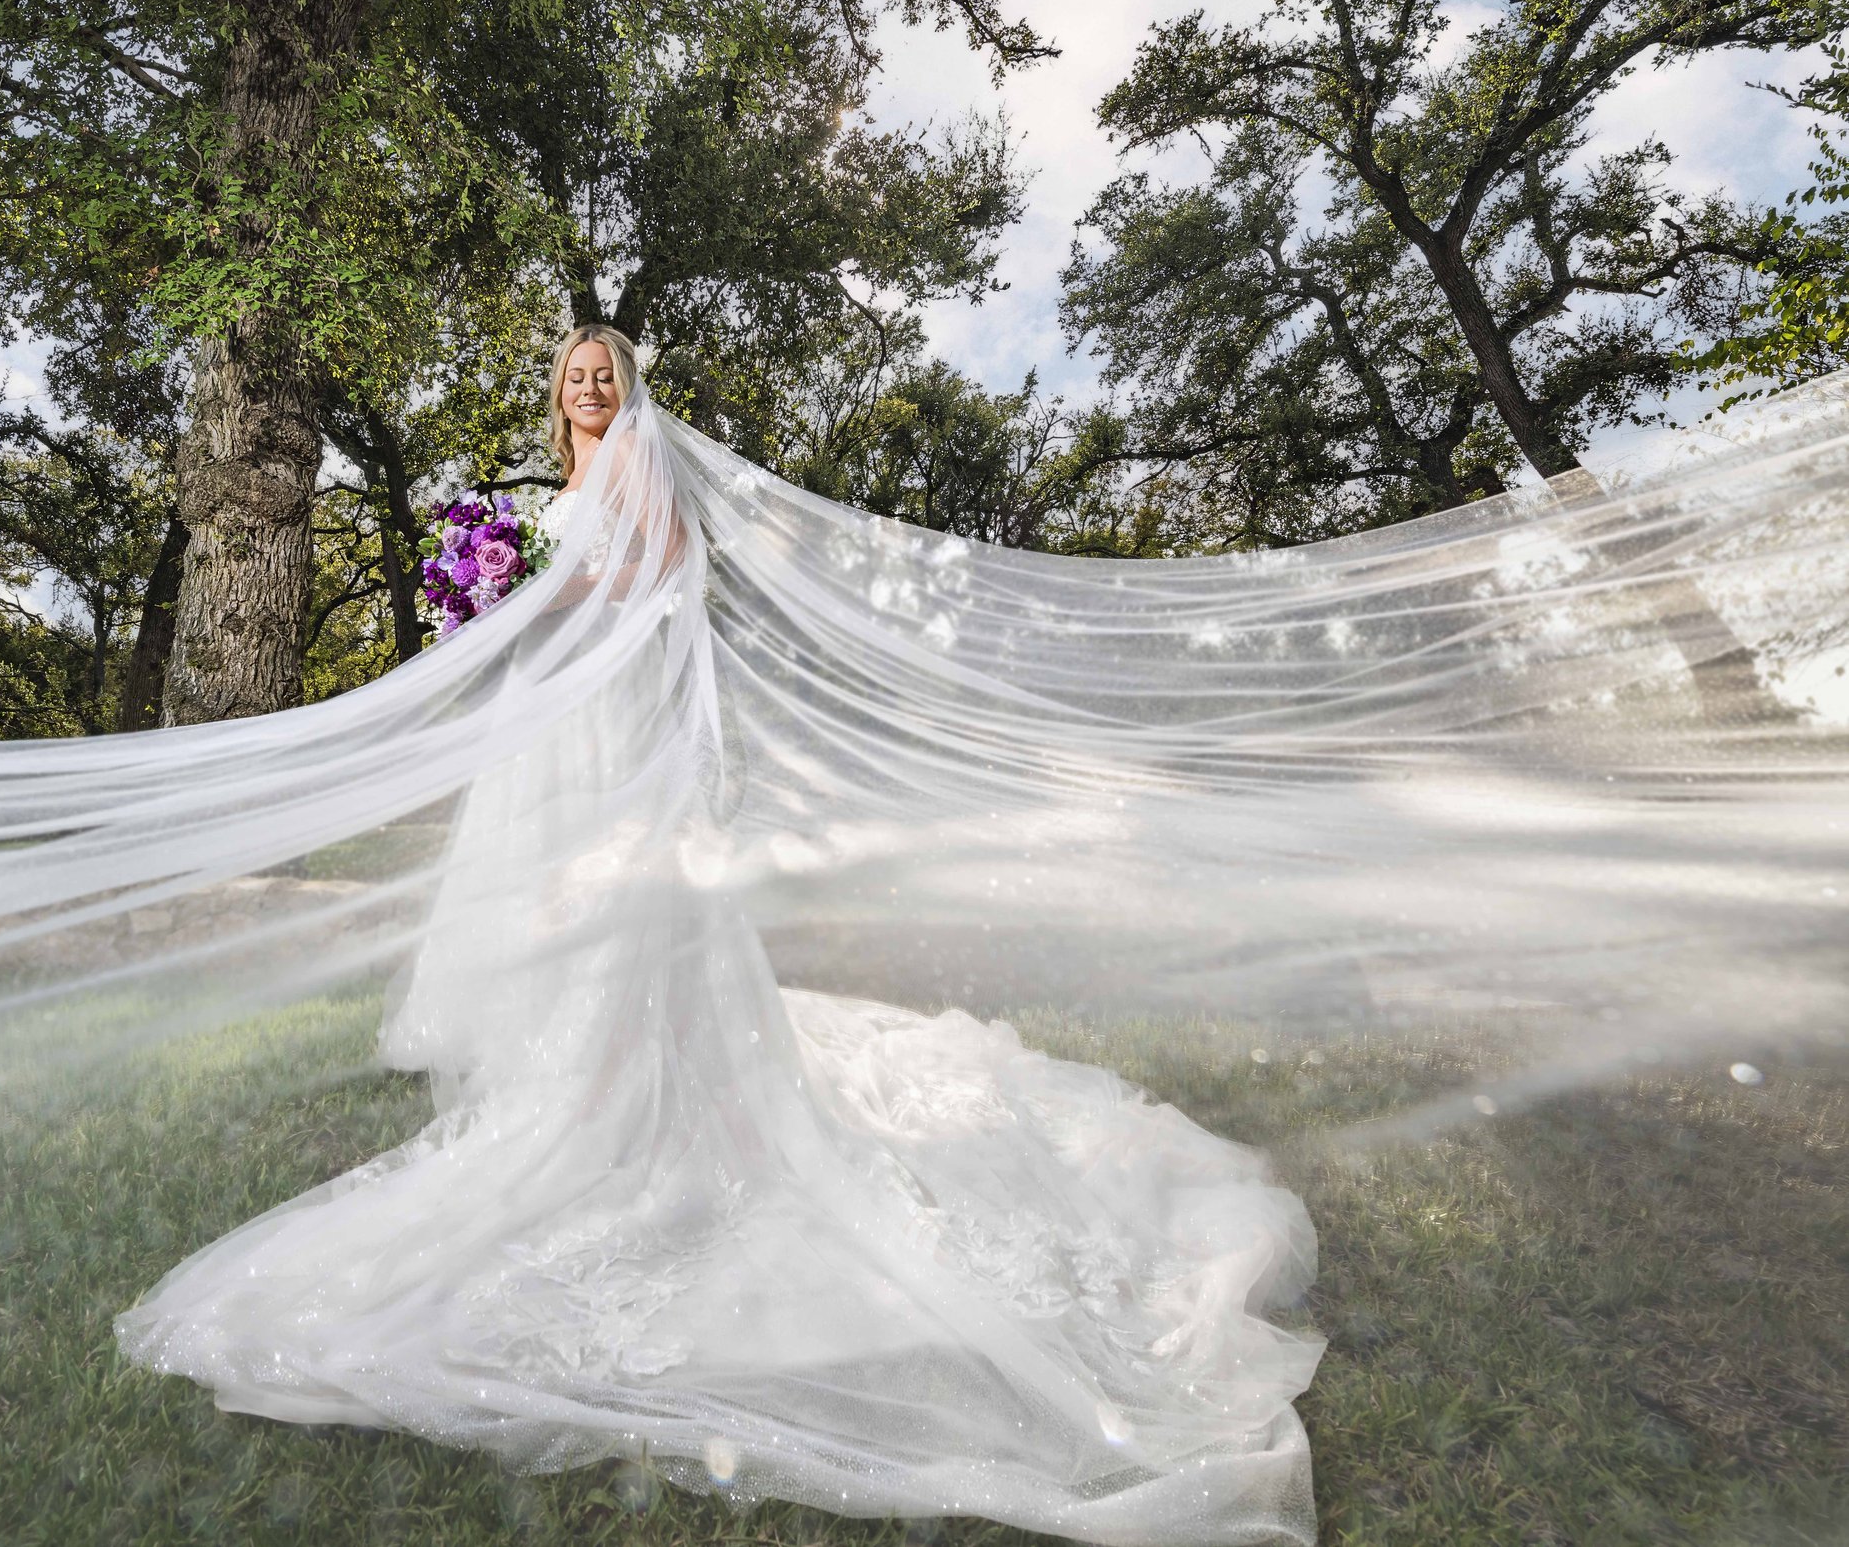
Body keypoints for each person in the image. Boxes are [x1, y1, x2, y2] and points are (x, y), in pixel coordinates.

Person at [112, 324, 1329, 1547]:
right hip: (562, 716)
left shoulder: (638, 460)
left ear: (627, 387)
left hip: (609, 714)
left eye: (606, 372)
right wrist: (504, 594)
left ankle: (632, 1100)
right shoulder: (569, 478)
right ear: (557, 391)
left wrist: (530, 589)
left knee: (626, 917)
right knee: (564, 918)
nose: (590, 387)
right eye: (574, 374)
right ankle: (583, 1089)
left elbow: (664, 568)